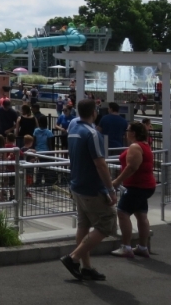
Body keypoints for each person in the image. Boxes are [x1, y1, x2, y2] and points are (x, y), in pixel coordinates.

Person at [60, 99, 117, 282]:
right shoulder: (92, 134)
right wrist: (110, 189)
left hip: (76, 184)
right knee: (106, 223)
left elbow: (77, 118)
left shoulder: (74, 126)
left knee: (83, 225)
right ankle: (73, 258)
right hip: (92, 188)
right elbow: (100, 164)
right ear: (94, 112)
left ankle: (87, 268)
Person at [110, 121, 156, 259]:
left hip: (137, 186)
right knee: (141, 215)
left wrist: (117, 181)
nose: (126, 132)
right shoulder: (144, 145)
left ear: (133, 133)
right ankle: (142, 247)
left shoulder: (135, 147)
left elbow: (132, 167)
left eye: (128, 130)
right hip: (145, 186)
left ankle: (126, 247)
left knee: (122, 213)